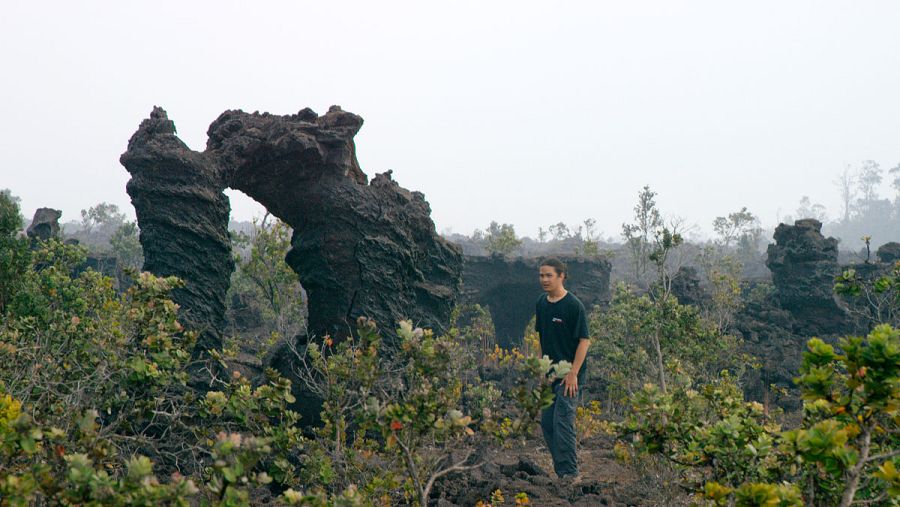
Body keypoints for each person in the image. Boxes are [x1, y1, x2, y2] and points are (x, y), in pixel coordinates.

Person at [535, 257, 591, 482]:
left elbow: (584, 341)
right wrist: (543, 369)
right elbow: (543, 338)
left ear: (561, 276)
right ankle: (562, 472)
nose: (544, 279)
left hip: (571, 375)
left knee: (562, 422)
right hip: (551, 375)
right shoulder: (541, 303)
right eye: (541, 275)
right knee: (547, 423)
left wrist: (573, 373)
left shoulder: (573, 306)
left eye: (549, 275)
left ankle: (570, 474)